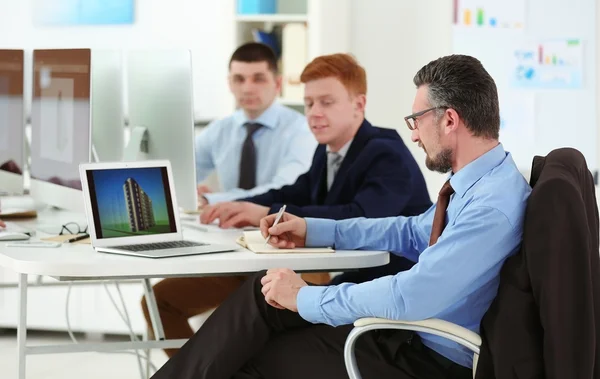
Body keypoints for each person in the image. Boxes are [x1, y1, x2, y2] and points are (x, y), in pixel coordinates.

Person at [149, 54, 533, 379]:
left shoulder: (490, 206)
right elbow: (408, 230)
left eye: (416, 120)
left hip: (423, 354)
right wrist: (311, 230)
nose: (414, 135)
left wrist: (307, 298)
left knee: (251, 356)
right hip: (405, 331)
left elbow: (411, 296)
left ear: (449, 120)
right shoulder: (474, 184)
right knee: (262, 295)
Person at [142, 53, 432, 358]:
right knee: (171, 299)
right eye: (308, 104)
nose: (314, 113)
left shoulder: (384, 152)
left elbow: (359, 217)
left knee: (263, 305)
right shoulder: (327, 151)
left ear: (359, 105)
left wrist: (266, 214)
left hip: (385, 289)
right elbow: (297, 191)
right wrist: (240, 205)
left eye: (326, 102)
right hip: (343, 276)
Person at [194, 42, 317, 206]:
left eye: (258, 79)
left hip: (279, 225)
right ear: (229, 84)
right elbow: (182, 173)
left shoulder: (302, 130)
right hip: (226, 227)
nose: (247, 89)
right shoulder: (219, 129)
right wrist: (191, 193)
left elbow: (282, 190)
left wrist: (212, 199)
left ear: (278, 84)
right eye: (239, 79)